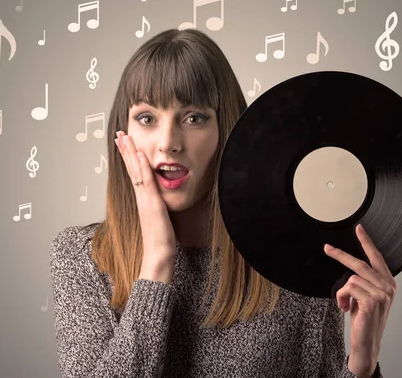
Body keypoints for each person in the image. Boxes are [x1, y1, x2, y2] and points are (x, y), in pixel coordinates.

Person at [49, 28, 383, 377]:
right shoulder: (81, 257)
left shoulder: (293, 265)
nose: (169, 142)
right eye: (147, 118)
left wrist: (361, 366)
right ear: (124, 134)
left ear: (227, 130)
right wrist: (157, 262)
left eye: (194, 118)